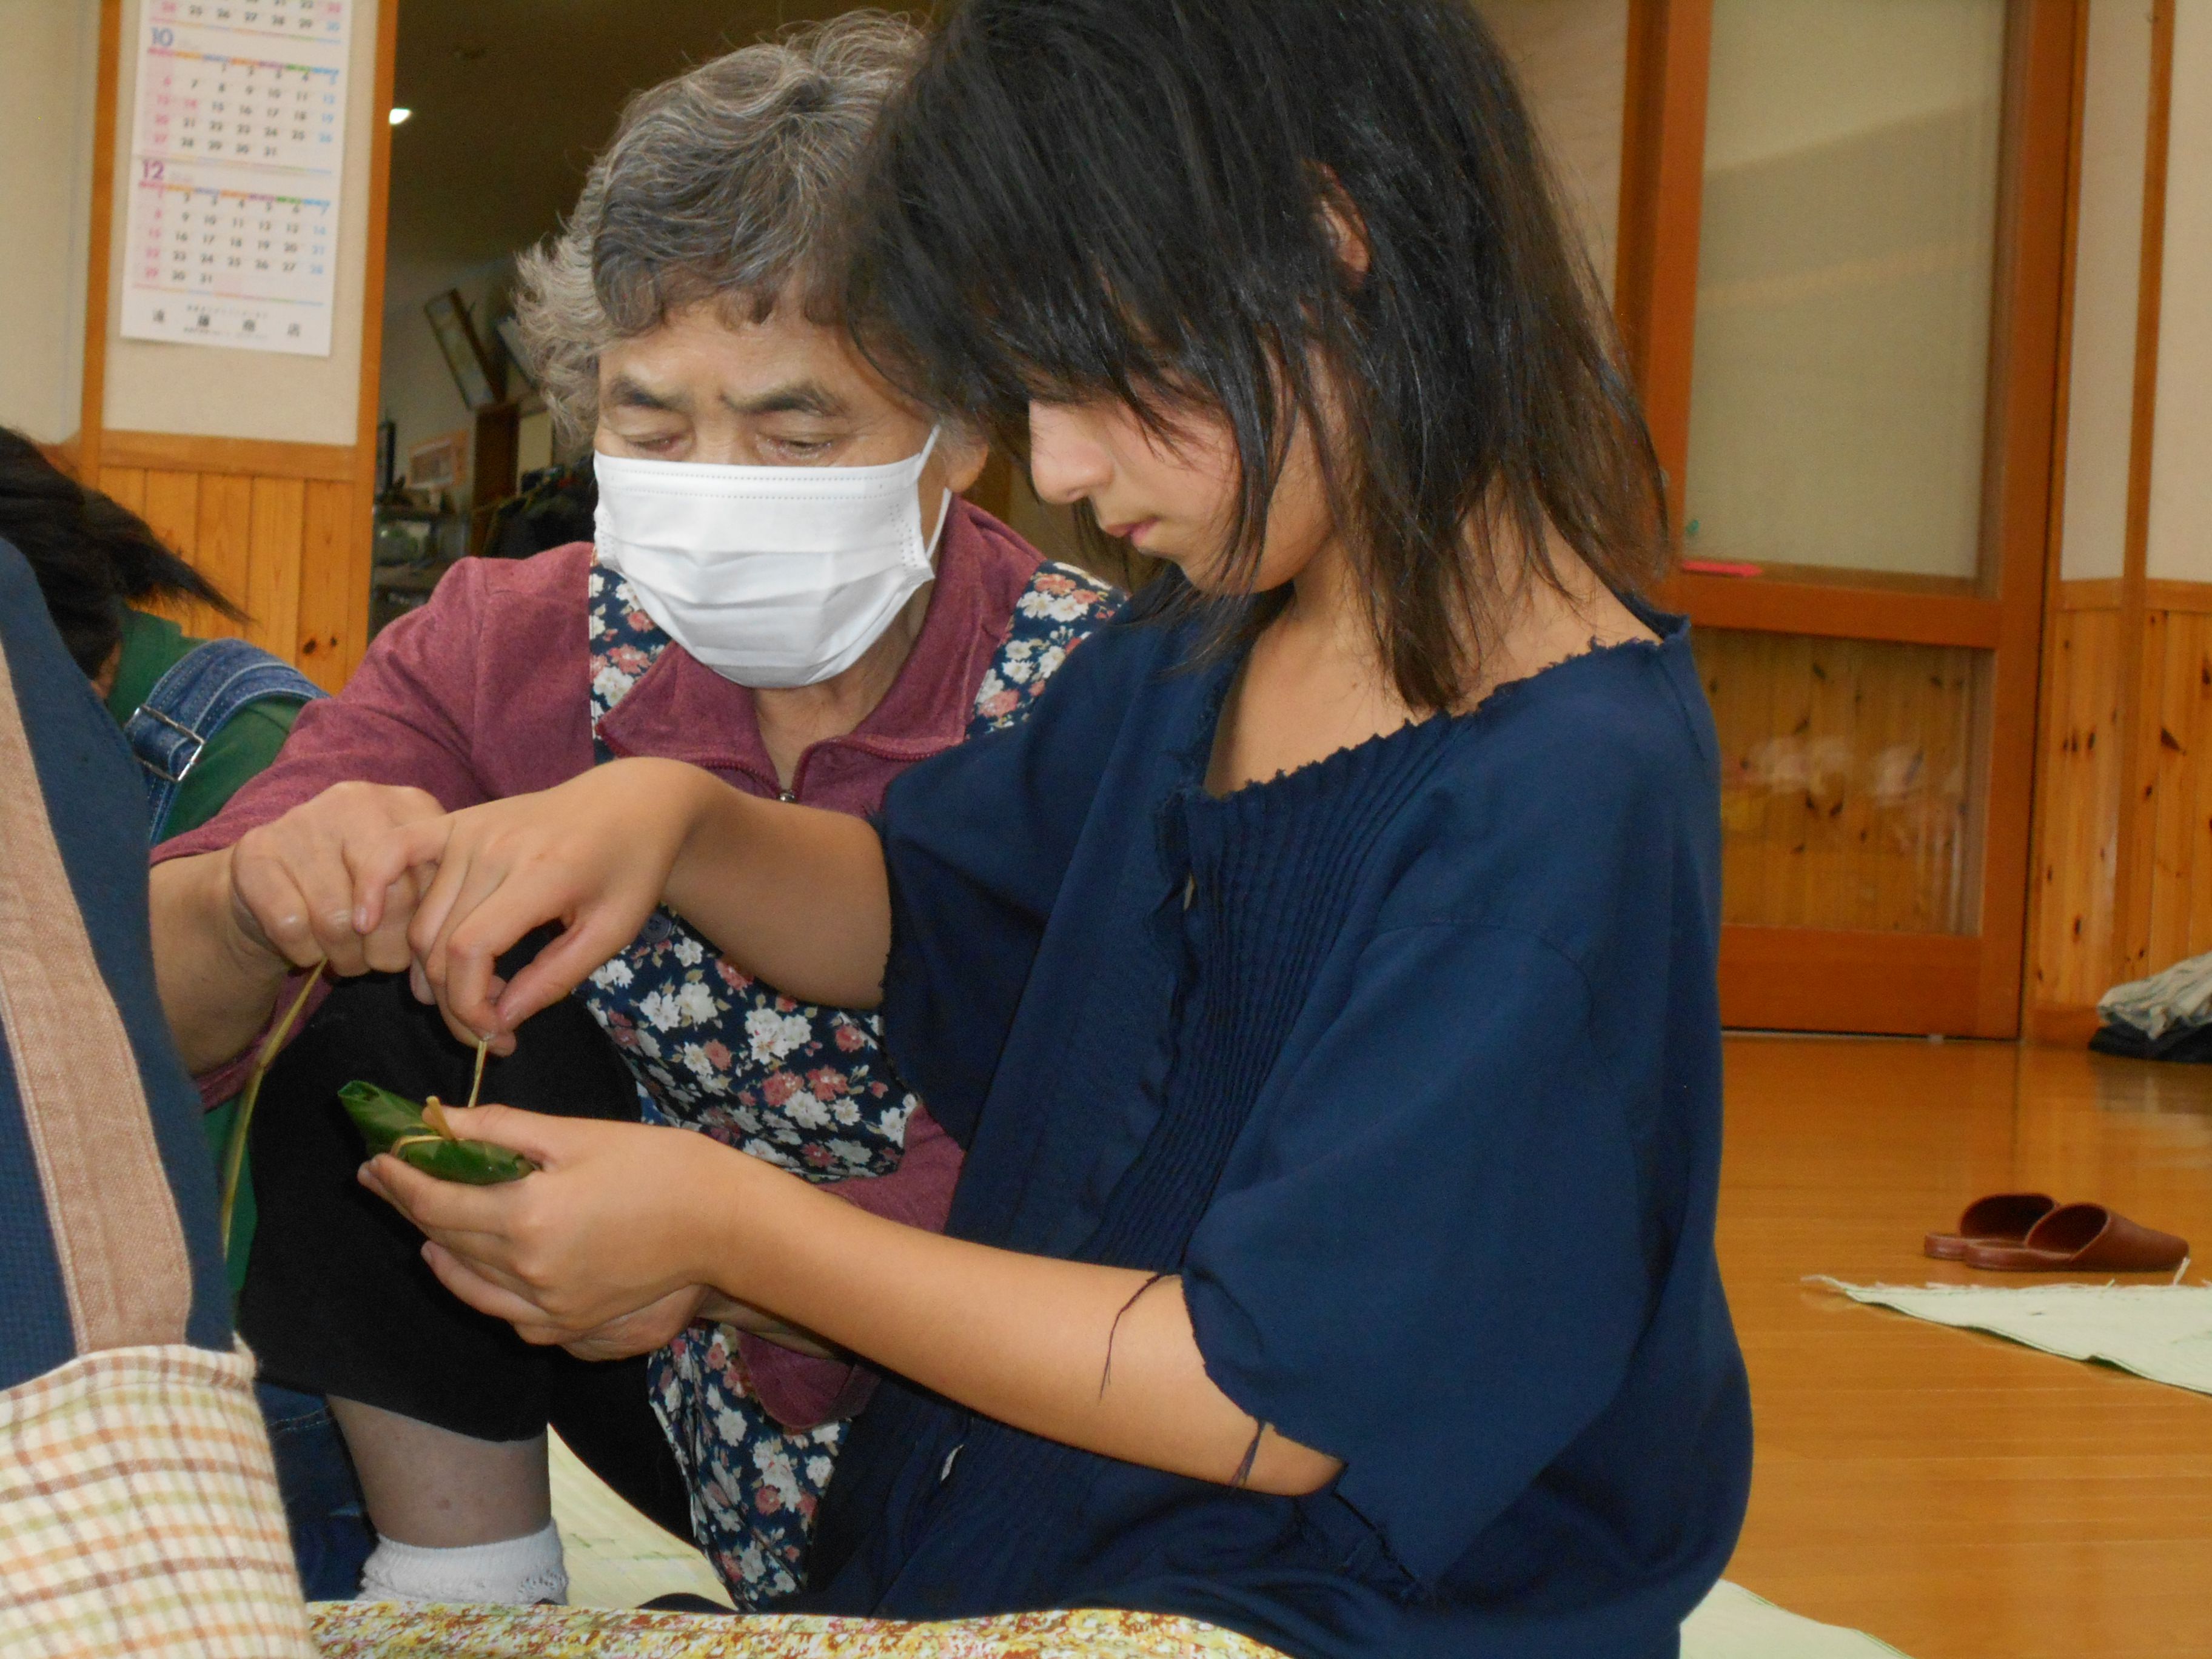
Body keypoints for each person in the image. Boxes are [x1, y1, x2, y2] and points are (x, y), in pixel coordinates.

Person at [345, 1, 1753, 1655]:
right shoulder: (1208, 649)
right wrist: (678, 825)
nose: (1066, 471)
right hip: (1009, 1542)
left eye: (1098, 384)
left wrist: (736, 1229)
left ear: (1322, 242)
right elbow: (921, 909)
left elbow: (1264, 1393)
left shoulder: (1559, 796)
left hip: (1319, 1616)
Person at [145, 13, 1118, 1610]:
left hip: (1005, 1402)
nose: (715, 481)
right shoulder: (511, 644)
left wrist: (734, 1255)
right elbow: (151, 1022)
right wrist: (265, 897)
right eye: (655, 426)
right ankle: (466, 1597)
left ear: (966, 430)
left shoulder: (1102, 701)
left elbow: (1121, 1179)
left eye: (797, 431)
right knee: (370, 1011)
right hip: (647, 1369)